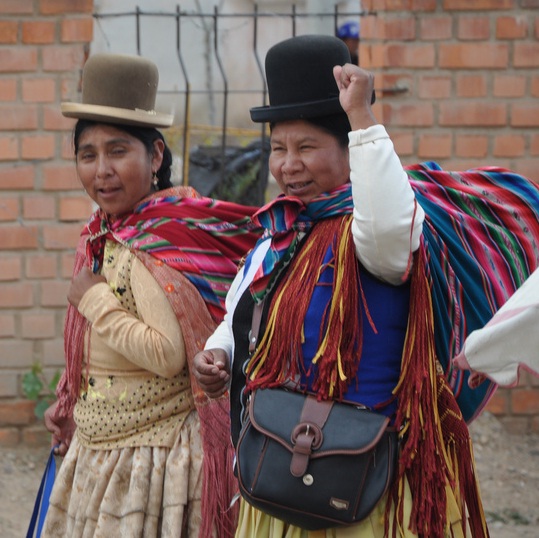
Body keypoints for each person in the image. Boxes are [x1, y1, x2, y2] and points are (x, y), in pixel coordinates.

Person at [192, 34, 496, 538]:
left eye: (307, 146)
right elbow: (242, 312)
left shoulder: (369, 236)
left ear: (349, 148)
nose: (288, 164)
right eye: (278, 148)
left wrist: (362, 119)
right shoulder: (280, 236)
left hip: (366, 476)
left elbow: (391, 229)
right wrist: (219, 351)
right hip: (281, 467)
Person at [41, 53, 261, 537]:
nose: (102, 170)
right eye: (87, 155)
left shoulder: (157, 240)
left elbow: (167, 354)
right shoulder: (104, 232)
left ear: (156, 155)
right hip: (104, 448)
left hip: (150, 461)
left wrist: (96, 301)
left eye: (118, 151)